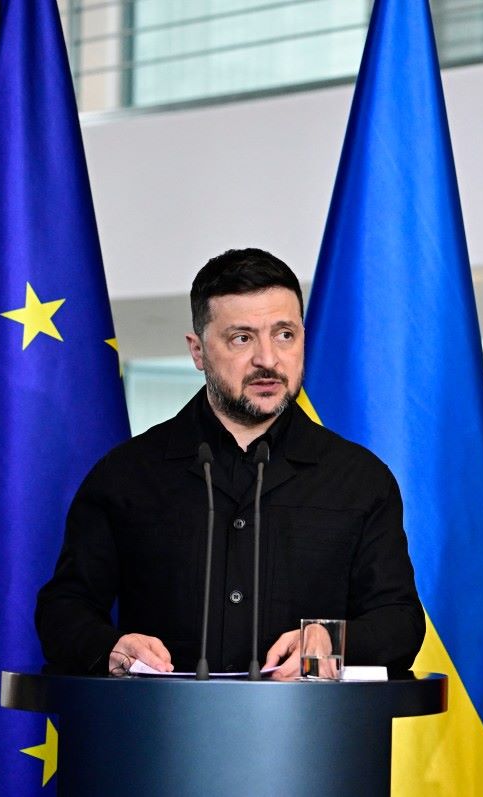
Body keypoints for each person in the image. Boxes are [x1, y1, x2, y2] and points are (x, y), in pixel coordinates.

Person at [36, 248, 424, 678]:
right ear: (198, 351)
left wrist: (332, 641)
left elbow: (400, 622)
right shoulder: (125, 474)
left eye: (284, 335)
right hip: (157, 735)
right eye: (242, 338)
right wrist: (110, 646)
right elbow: (63, 610)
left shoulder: (360, 479)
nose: (268, 360)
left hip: (312, 736)